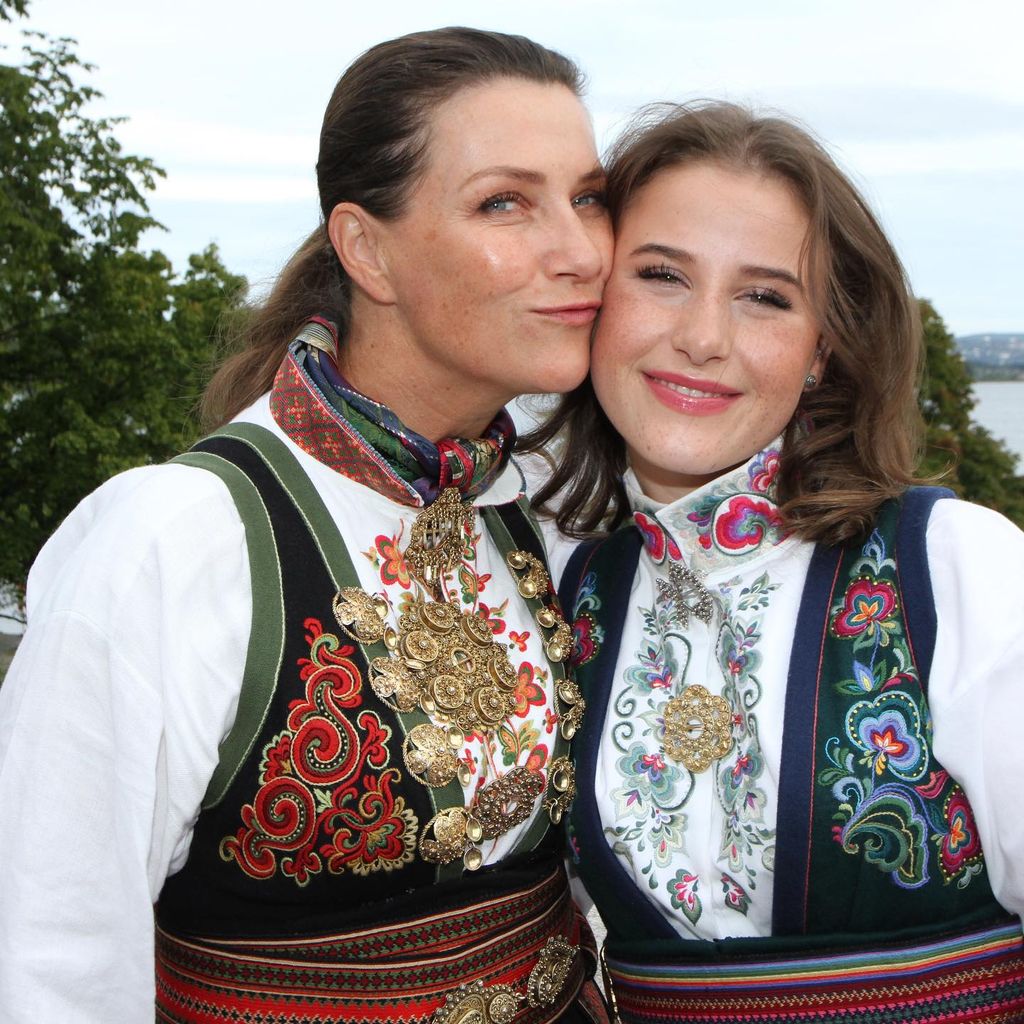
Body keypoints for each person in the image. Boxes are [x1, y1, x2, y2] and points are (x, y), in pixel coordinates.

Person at [0, 28, 614, 1023]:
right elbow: (50, 952)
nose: (583, 249)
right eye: (506, 202)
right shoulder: (173, 542)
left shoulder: (548, 513)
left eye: (587, 196)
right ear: (366, 248)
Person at [527, 101, 1024, 1021]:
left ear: (821, 351)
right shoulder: (560, 593)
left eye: (764, 296)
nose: (703, 336)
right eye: (663, 275)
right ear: (593, 300)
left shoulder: (957, 572)